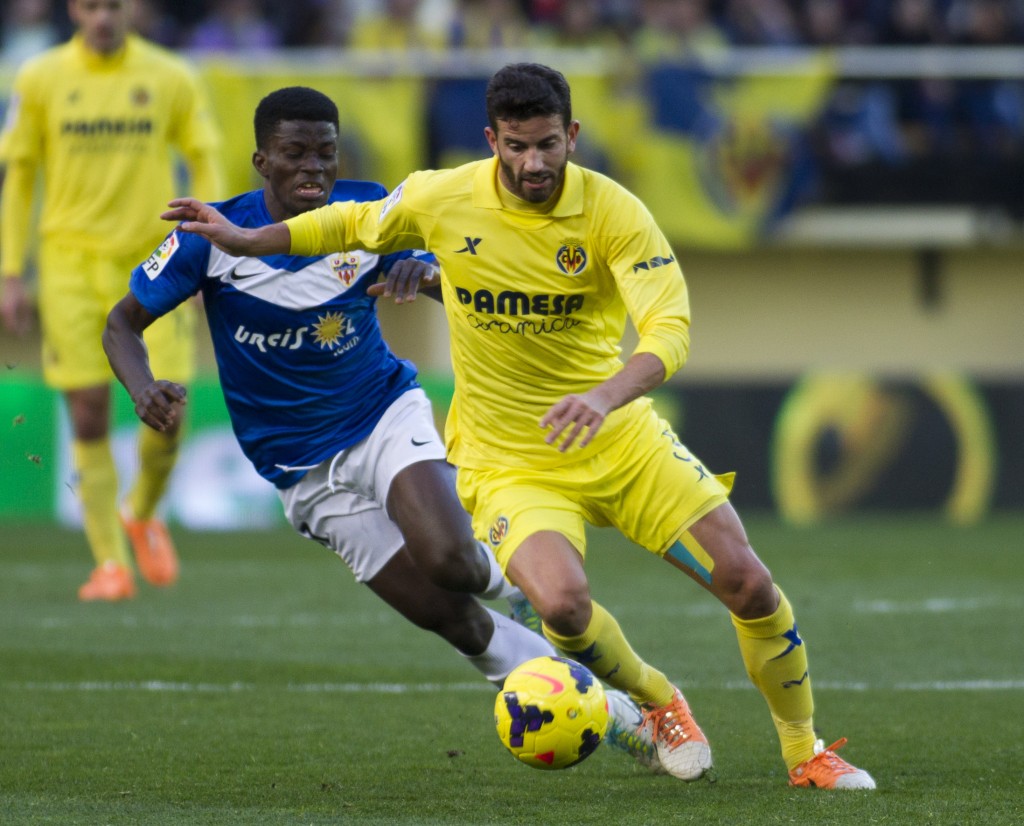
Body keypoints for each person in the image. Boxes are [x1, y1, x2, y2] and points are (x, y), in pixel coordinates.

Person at [163, 63, 877, 790]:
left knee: (748, 584)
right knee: (563, 610)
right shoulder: (444, 196)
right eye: (516, 146)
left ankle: (805, 753)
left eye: (546, 145)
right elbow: (348, 222)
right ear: (491, 141)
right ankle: (660, 703)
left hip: (623, 443)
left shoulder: (614, 212)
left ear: (571, 136)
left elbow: (670, 331)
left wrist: (604, 397)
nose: (533, 163)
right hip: (511, 462)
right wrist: (251, 242)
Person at [103, 84, 660, 770]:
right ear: (261, 160)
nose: (314, 169)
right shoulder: (212, 237)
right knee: (448, 616)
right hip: (301, 468)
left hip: (382, 415)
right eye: (295, 154)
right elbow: (120, 322)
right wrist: (142, 386)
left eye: (326, 155)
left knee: (451, 558)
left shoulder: (367, 210)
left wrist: (424, 275)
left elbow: (454, 275)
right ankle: (603, 709)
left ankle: (546, 607)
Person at [0, 0, 224, 601]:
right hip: (69, 263)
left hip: (152, 263)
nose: (103, 17)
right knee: (89, 413)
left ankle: (143, 510)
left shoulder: (170, 77)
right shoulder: (41, 77)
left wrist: (210, 250)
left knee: (170, 409)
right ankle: (109, 565)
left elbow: (204, 156)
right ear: (75, 9)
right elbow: (18, 173)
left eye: (114, 6)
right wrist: (8, 271)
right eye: (92, 5)